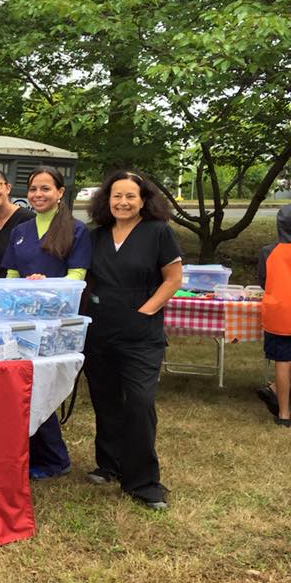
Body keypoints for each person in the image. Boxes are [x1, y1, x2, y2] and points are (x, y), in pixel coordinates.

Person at [84, 170, 182, 510]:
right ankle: (108, 464)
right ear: (106, 199)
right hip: (99, 331)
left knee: (139, 402)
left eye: (130, 196)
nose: (122, 202)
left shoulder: (158, 233)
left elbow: (173, 279)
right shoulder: (96, 236)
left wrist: (144, 312)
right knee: (105, 400)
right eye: (116, 196)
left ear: (143, 201)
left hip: (141, 334)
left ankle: (143, 482)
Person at [0, 165, 92, 480]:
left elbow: (77, 276)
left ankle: (55, 458)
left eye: (45, 189)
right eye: (33, 189)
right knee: (24, 388)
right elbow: (10, 276)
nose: (38, 195)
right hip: (23, 322)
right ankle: (35, 453)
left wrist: (44, 287)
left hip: (56, 325)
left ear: (60, 192)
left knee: (45, 388)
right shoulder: (21, 231)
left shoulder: (76, 230)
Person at [257, 204, 291, 427]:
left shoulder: (268, 251)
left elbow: (263, 280)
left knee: (282, 361)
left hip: (279, 314)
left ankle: (284, 414)